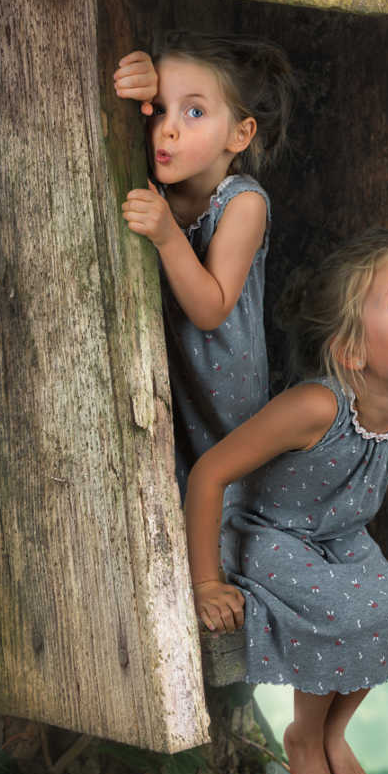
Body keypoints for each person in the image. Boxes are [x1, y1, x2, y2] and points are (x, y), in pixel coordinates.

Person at [185, 230, 388, 774]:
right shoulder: (316, 407)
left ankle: (335, 729)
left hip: (340, 534)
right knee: (346, 612)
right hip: (267, 532)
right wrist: (207, 583)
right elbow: (209, 474)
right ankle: (305, 735)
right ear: (353, 352)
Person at [113, 33, 297, 488]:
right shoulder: (159, 184)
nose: (167, 128)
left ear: (240, 134)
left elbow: (212, 308)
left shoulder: (243, 203)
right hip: (170, 384)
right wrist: (133, 76)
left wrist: (167, 236)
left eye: (194, 112)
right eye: (159, 109)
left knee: (223, 492)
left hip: (226, 399)